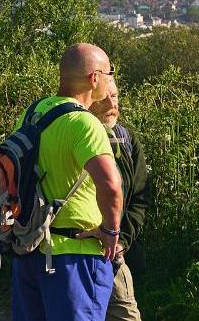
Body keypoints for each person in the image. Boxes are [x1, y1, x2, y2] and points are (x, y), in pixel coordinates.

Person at [10, 43, 123, 321]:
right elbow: (110, 184)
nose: (110, 79)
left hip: (30, 247)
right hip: (75, 254)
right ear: (94, 78)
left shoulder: (33, 113)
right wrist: (110, 230)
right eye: (109, 73)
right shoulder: (84, 123)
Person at [88, 79, 152, 321]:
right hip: (78, 247)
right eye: (104, 98)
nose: (111, 103)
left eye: (114, 97)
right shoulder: (78, 133)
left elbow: (140, 195)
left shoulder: (126, 139)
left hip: (115, 251)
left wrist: (122, 240)